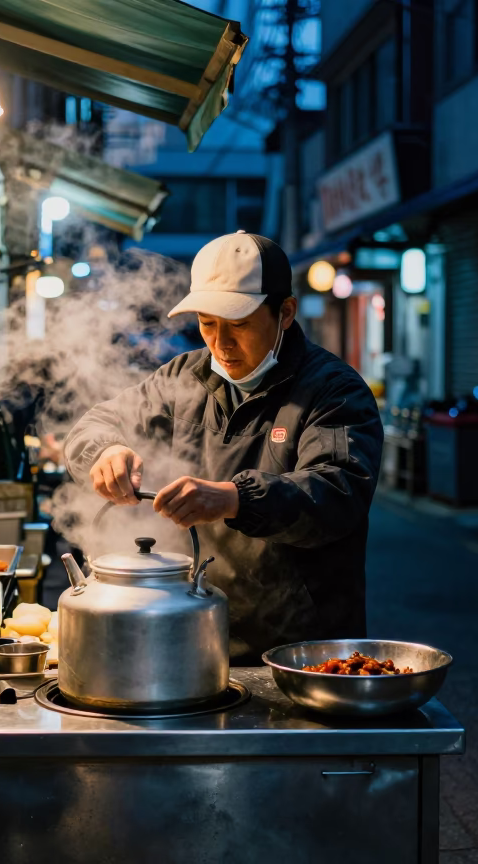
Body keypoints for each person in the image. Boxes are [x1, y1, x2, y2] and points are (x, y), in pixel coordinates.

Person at [63, 231, 383, 663]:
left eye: (239, 324)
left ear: (285, 312)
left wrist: (235, 498)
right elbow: (97, 423)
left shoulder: (334, 391)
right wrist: (104, 451)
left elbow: (336, 493)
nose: (221, 343)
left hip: (299, 649)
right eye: (207, 324)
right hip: (191, 634)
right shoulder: (182, 378)